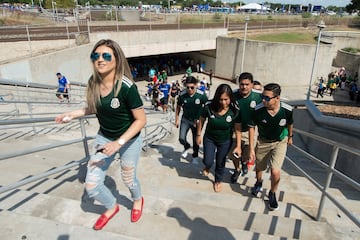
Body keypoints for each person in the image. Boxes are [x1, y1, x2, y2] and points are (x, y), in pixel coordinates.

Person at [55, 39, 146, 229]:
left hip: (128, 140)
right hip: (105, 137)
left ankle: (137, 200)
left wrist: (118, 143)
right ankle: (111, 206)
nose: (100, 60)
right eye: (96, 56)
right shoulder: (93, 82)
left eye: (106, 56)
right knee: (92, 185)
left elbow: (141, 120)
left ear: (116, 60)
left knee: (128, 178)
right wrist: (72, 114)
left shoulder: (127, 87)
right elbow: (94, 108)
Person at [249, 83, 293, 211]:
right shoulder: (258, 110)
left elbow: (290, 123)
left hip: (280, 141)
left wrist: (290, 136)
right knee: (260, 166)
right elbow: (252, 127)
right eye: (263, 96)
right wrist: (252, 148)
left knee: (275, 171)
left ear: (277, 98)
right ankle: (258, 181)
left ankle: (272, 193)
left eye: (267, 98)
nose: (264, 100)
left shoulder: (287, 110)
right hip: (263, 142)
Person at [196, 84, 241, 192]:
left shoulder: (234, 110)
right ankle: (207, 166)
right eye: (221, 99)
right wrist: (198, 134)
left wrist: (238, 146)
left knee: (221, 162)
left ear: (230, 98)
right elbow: (201, 120)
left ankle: (218, 180)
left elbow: (238, 129)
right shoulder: (209, 106)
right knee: (208, 161)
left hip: (225, 140)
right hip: (210, 138)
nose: (223, 102)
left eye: (226, 99)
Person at [230, 72, 262, 183]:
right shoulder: (232, 95)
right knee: (234, 153)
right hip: (235, 128)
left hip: (251, 129)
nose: (244, 86)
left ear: (252, 84)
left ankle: (244, 162)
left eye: (247, 84)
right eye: (242, 84)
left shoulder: (258, 96)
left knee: (248, 153)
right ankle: (237, 169)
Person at [175, 76, 208, 164]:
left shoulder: (201, 95)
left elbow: (208, 106)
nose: (189, 89)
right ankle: (186, 146)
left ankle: (195, 156)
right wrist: (177, 119)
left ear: (196, 86)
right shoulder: (182, 95)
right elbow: (178, 107)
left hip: (196, 121)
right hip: (185, 119)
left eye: (192, 87)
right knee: (181, 138)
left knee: (195, 139)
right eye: (188, 87)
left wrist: (201, 119)